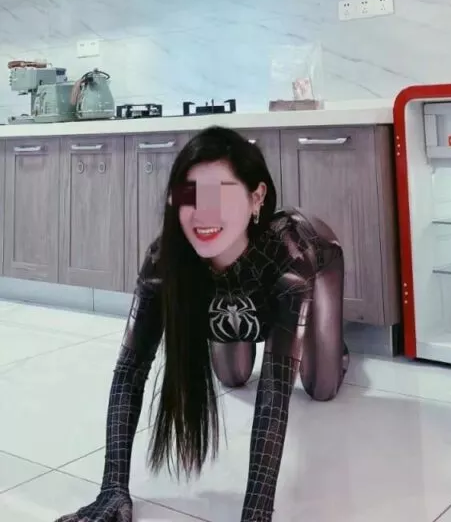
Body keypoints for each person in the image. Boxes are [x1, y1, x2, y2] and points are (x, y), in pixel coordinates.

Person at [56, 126, 347, 522]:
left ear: (256, 197)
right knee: (232, 376)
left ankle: (336, 349)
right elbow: (130, 370)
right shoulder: (166, 258)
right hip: (237, 294)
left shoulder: (289, 255)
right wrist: (113, 488)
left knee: (320, 387)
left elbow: (275, 390)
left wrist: (256, 514)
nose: (203, 212)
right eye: (189, 195)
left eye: (220, 194)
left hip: (320, 262)